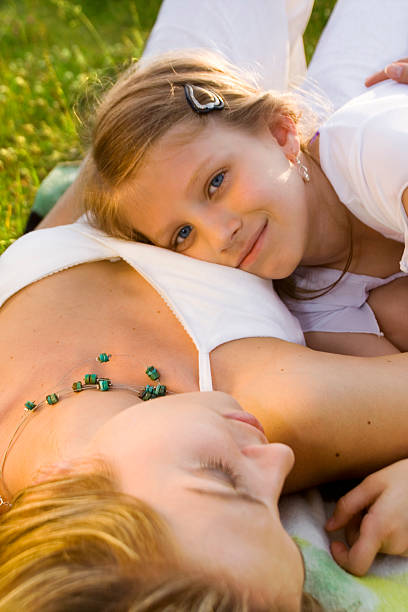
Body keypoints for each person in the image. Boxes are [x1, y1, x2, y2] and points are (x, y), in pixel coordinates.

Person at [1, 0, 408, 607]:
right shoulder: (277, 404)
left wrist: (123, 155)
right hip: (329, 194)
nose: (278, 464)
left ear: (68, 484)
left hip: (161, 156)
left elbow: (68, 220)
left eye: (218, 476)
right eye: (280, 515)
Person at [71, 0, 408, 360]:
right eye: (182, 235)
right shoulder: (310, 304)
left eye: (215, 183)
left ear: (280, 132)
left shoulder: (376, 149)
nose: (219, 235)